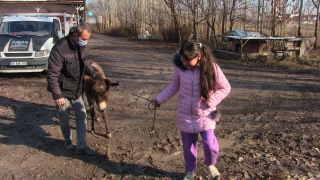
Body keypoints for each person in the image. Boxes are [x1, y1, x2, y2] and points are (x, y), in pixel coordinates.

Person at [150, 39, 231, 180]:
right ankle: (190, 171)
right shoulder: (180, 68)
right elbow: (173, 87)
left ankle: (210, 164)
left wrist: (211, 101)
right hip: (185, 114)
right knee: (188, 149)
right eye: (182, 59)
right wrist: (158, 99)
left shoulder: (212, 68)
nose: (184, 62)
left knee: (210, 146)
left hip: (206, 114)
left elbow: (226, 88)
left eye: (188, 60)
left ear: (198, 56)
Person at [46, 23, 98, 156]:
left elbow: (83, 62)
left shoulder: (79, 46)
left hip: (77, 90)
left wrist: (93, 73)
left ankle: (82, 146)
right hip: (63, 92)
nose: (85, 42)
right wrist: (57, 95)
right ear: (75, 35)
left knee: (82, 116)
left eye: (87, 39)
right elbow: (52, 74)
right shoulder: (59, 49)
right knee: (64, 118)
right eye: (84, 39)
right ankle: (67, 140)